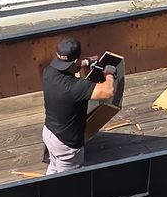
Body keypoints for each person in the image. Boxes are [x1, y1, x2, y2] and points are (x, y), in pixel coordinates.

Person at [41, 38, 117, 176]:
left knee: (54, 169)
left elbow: (70, 66)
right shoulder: (74, 87)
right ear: (75, 61)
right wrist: (109, 74)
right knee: (68, 182)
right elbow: (108, 91)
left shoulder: (48, 72)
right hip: (66, 145)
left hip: (49, 133)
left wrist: (86, 62)